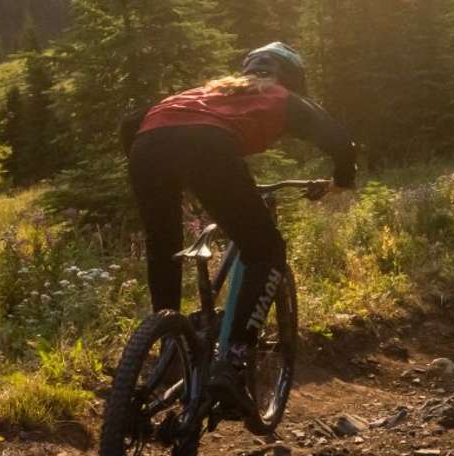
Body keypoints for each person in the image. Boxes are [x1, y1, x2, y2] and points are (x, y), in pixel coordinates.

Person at [123, 42, 356, 414]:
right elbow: (339, 139)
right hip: (207, 146)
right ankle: (230, 364)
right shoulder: (283, 96)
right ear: (292, 77)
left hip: (147, 143)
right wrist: (342, 180)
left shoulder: (210, 89)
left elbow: (132, 121)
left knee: (164, 244)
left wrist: (163, 180)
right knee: (266, 250)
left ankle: (168, 344)